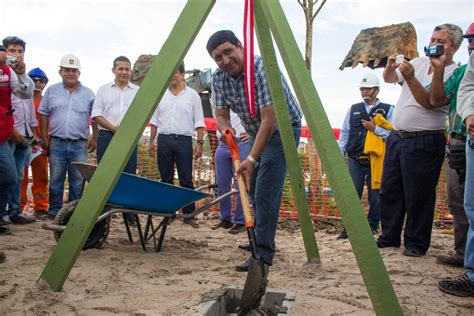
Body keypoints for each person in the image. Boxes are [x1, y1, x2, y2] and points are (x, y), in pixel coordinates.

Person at [206, 30, 303, 273]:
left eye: (228, 52)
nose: (225, 60)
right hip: (256, 130)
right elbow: (220, 115)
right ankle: (262, 238)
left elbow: (269, 119)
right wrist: (225, 129)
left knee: (266, 190)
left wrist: (250, 158)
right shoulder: (218, 78)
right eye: (218, 57)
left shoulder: (259, 67)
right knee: (255, 189)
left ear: (240, 46)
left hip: (282, 128)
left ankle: (262, 256)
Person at [377, 24, 462, 257]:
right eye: (433, 38)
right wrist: (390, 66)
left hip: (425, 139)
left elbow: (432, 102)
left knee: (419, 195)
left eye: (441, 41)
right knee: (390, 191)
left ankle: (415, 243)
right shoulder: (417, 63)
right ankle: (389, 236)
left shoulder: (456, 71)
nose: (434, 44)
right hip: (397, 137)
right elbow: (390, 78)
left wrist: (414, 78)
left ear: (454, 46)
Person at [431, 23, 474, 267]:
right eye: (470, 40)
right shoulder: (464, 73)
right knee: (460, 203)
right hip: (459, 143)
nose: (472, 45)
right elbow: (436, 99)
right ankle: (463, 254)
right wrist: (437, 70)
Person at [38, 54, 97, 219]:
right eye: (67, 70)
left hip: (79, 144)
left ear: (79, 73)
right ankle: (54, 212)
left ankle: (72, 214)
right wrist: (44, 136)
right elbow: (43, 114)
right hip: (56, 142)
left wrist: (95, 137)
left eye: (74, 70)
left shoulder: (89, 94)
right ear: (60, 72)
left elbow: (95, 117)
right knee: (56, 179)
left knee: (77, 181)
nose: (70, 73)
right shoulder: (51, 91)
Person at [148, 62, 205, 229]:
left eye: (176, 72)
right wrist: (151, 141)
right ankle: (168, 213)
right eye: (170, 72)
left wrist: (200, 143)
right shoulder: (160, 95)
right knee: (166, 179)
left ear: (182, 74)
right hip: (164, 140)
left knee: (186, 179)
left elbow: (199, 121)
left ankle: (189, 214)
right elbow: (154, 121)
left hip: (184, 141)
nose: (173, 76)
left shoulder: (193, 95)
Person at [337, 73, 393, 239]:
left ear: (376, 90)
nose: (364, 92)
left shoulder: (388, 109)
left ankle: (372, 226)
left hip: (377, 160)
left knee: (376, 195)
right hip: (355, 159)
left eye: (368, 89)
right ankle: (349, 228)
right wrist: (340, 155)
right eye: (362, 89)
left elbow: (393, 134)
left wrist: (375, 129)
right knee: (352, 194)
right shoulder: (353, 110)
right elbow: (344, 134)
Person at [438, 48, 474, 297]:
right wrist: (470, 114)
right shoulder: (465, 69)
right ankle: (471, 271)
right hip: (467, 138)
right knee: (468, 205)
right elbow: (467, 86)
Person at [92, 56, 139, 224]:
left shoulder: (138, 91)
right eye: (121, 69)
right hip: (107, 136)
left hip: (129, 139)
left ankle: (129, 216)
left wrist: (127, 132)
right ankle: (102, 216)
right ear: (113, 70)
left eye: (127, 69)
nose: (124, 72)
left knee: (129, 176)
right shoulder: (103, 90)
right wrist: (113, 128)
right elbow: (96, 114)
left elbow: (141, 115)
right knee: (104, 176)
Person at [0, 41, 34, 251]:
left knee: (11, 176)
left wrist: (21, 74)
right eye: (11, 51)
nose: (16, 55)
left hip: (3, 135)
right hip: (8, 133)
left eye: (20, 52)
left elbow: (25, 93)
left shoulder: (8, 72)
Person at [212, 110, 250, 234]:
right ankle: (225, 218)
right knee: (222, 183)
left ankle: (240, 221)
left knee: (241, 183)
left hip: (242, 141)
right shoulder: (219, 98)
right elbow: (219, 118)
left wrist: (252, 134)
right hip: (223, 143)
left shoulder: (245, 98)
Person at [20, 68, 50, 219]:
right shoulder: (22, 98)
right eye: (34, 79)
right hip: (23, 143)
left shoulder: (47, 101)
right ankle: (18, 208)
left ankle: (41, 207)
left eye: (42, 80)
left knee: (42, 177)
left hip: (40, 145)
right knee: (21, 178)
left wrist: (47, 141)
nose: (38, 83)